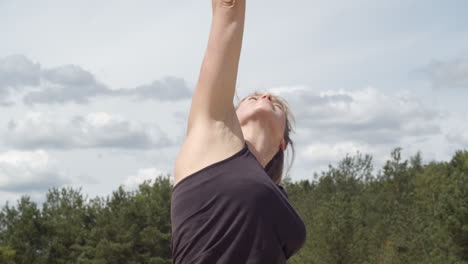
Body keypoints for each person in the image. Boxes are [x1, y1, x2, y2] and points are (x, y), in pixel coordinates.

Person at [171, 0, 306, 263]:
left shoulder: (278, 195)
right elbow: (228, 8)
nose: (266, 95)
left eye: (276, 103)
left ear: (283, 142)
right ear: (231, 112)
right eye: (251, 98)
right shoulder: (210, 132)